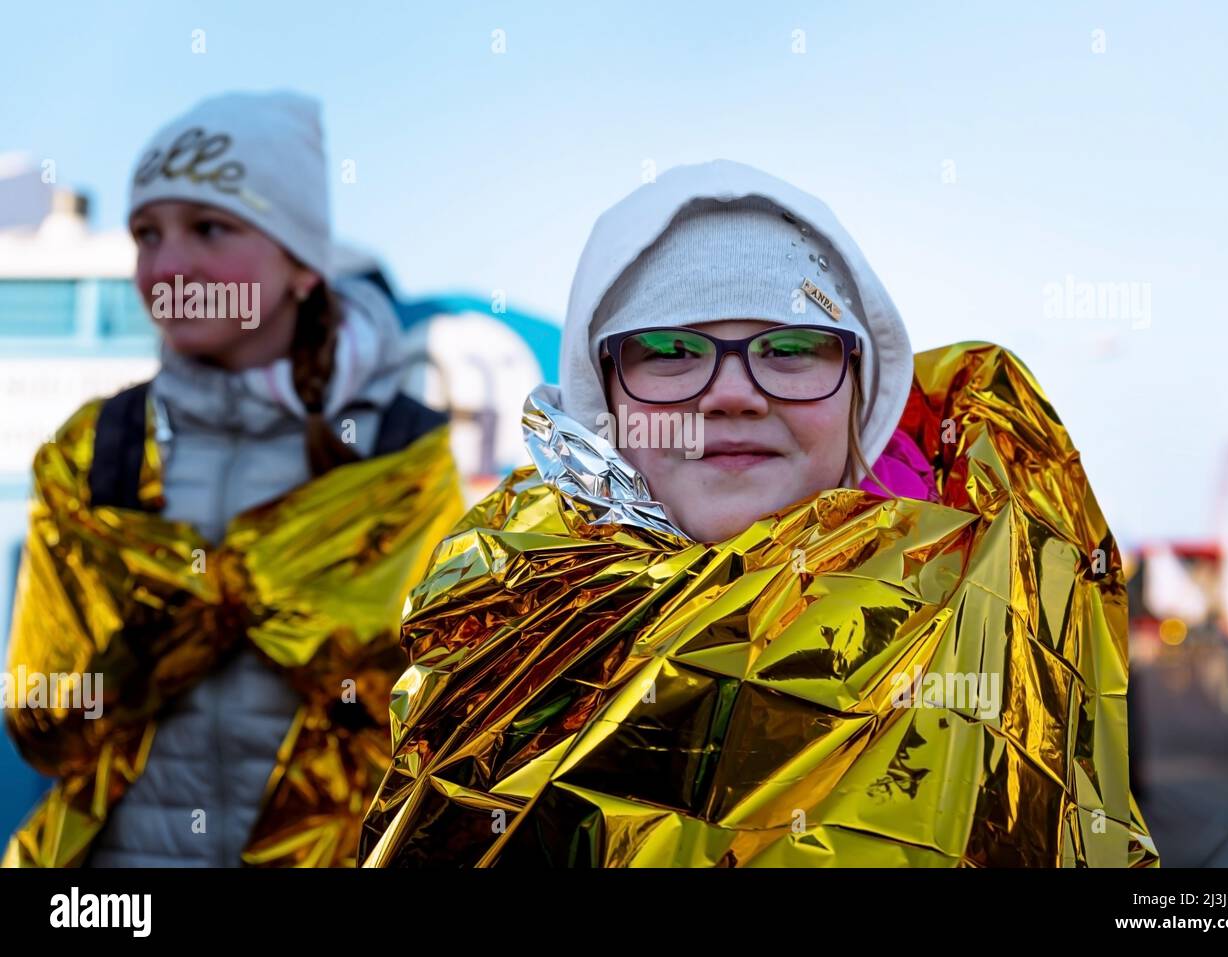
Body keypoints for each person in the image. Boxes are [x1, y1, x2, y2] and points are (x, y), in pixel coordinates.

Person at [358, 159, 1159, 867]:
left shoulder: (1000, 618)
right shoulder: (508, 647)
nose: (733, 393)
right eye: (671, 351)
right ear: (604, 398)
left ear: (858, 390)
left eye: (791, 347)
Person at [4, 91, 464, 868]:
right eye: (147, 234)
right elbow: (41, 723)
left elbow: (432, 719)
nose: (169, 265)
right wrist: (177, 627)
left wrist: (242, 592)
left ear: (301, 267)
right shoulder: (97, 449)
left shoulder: (400, 452)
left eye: (209, 228)